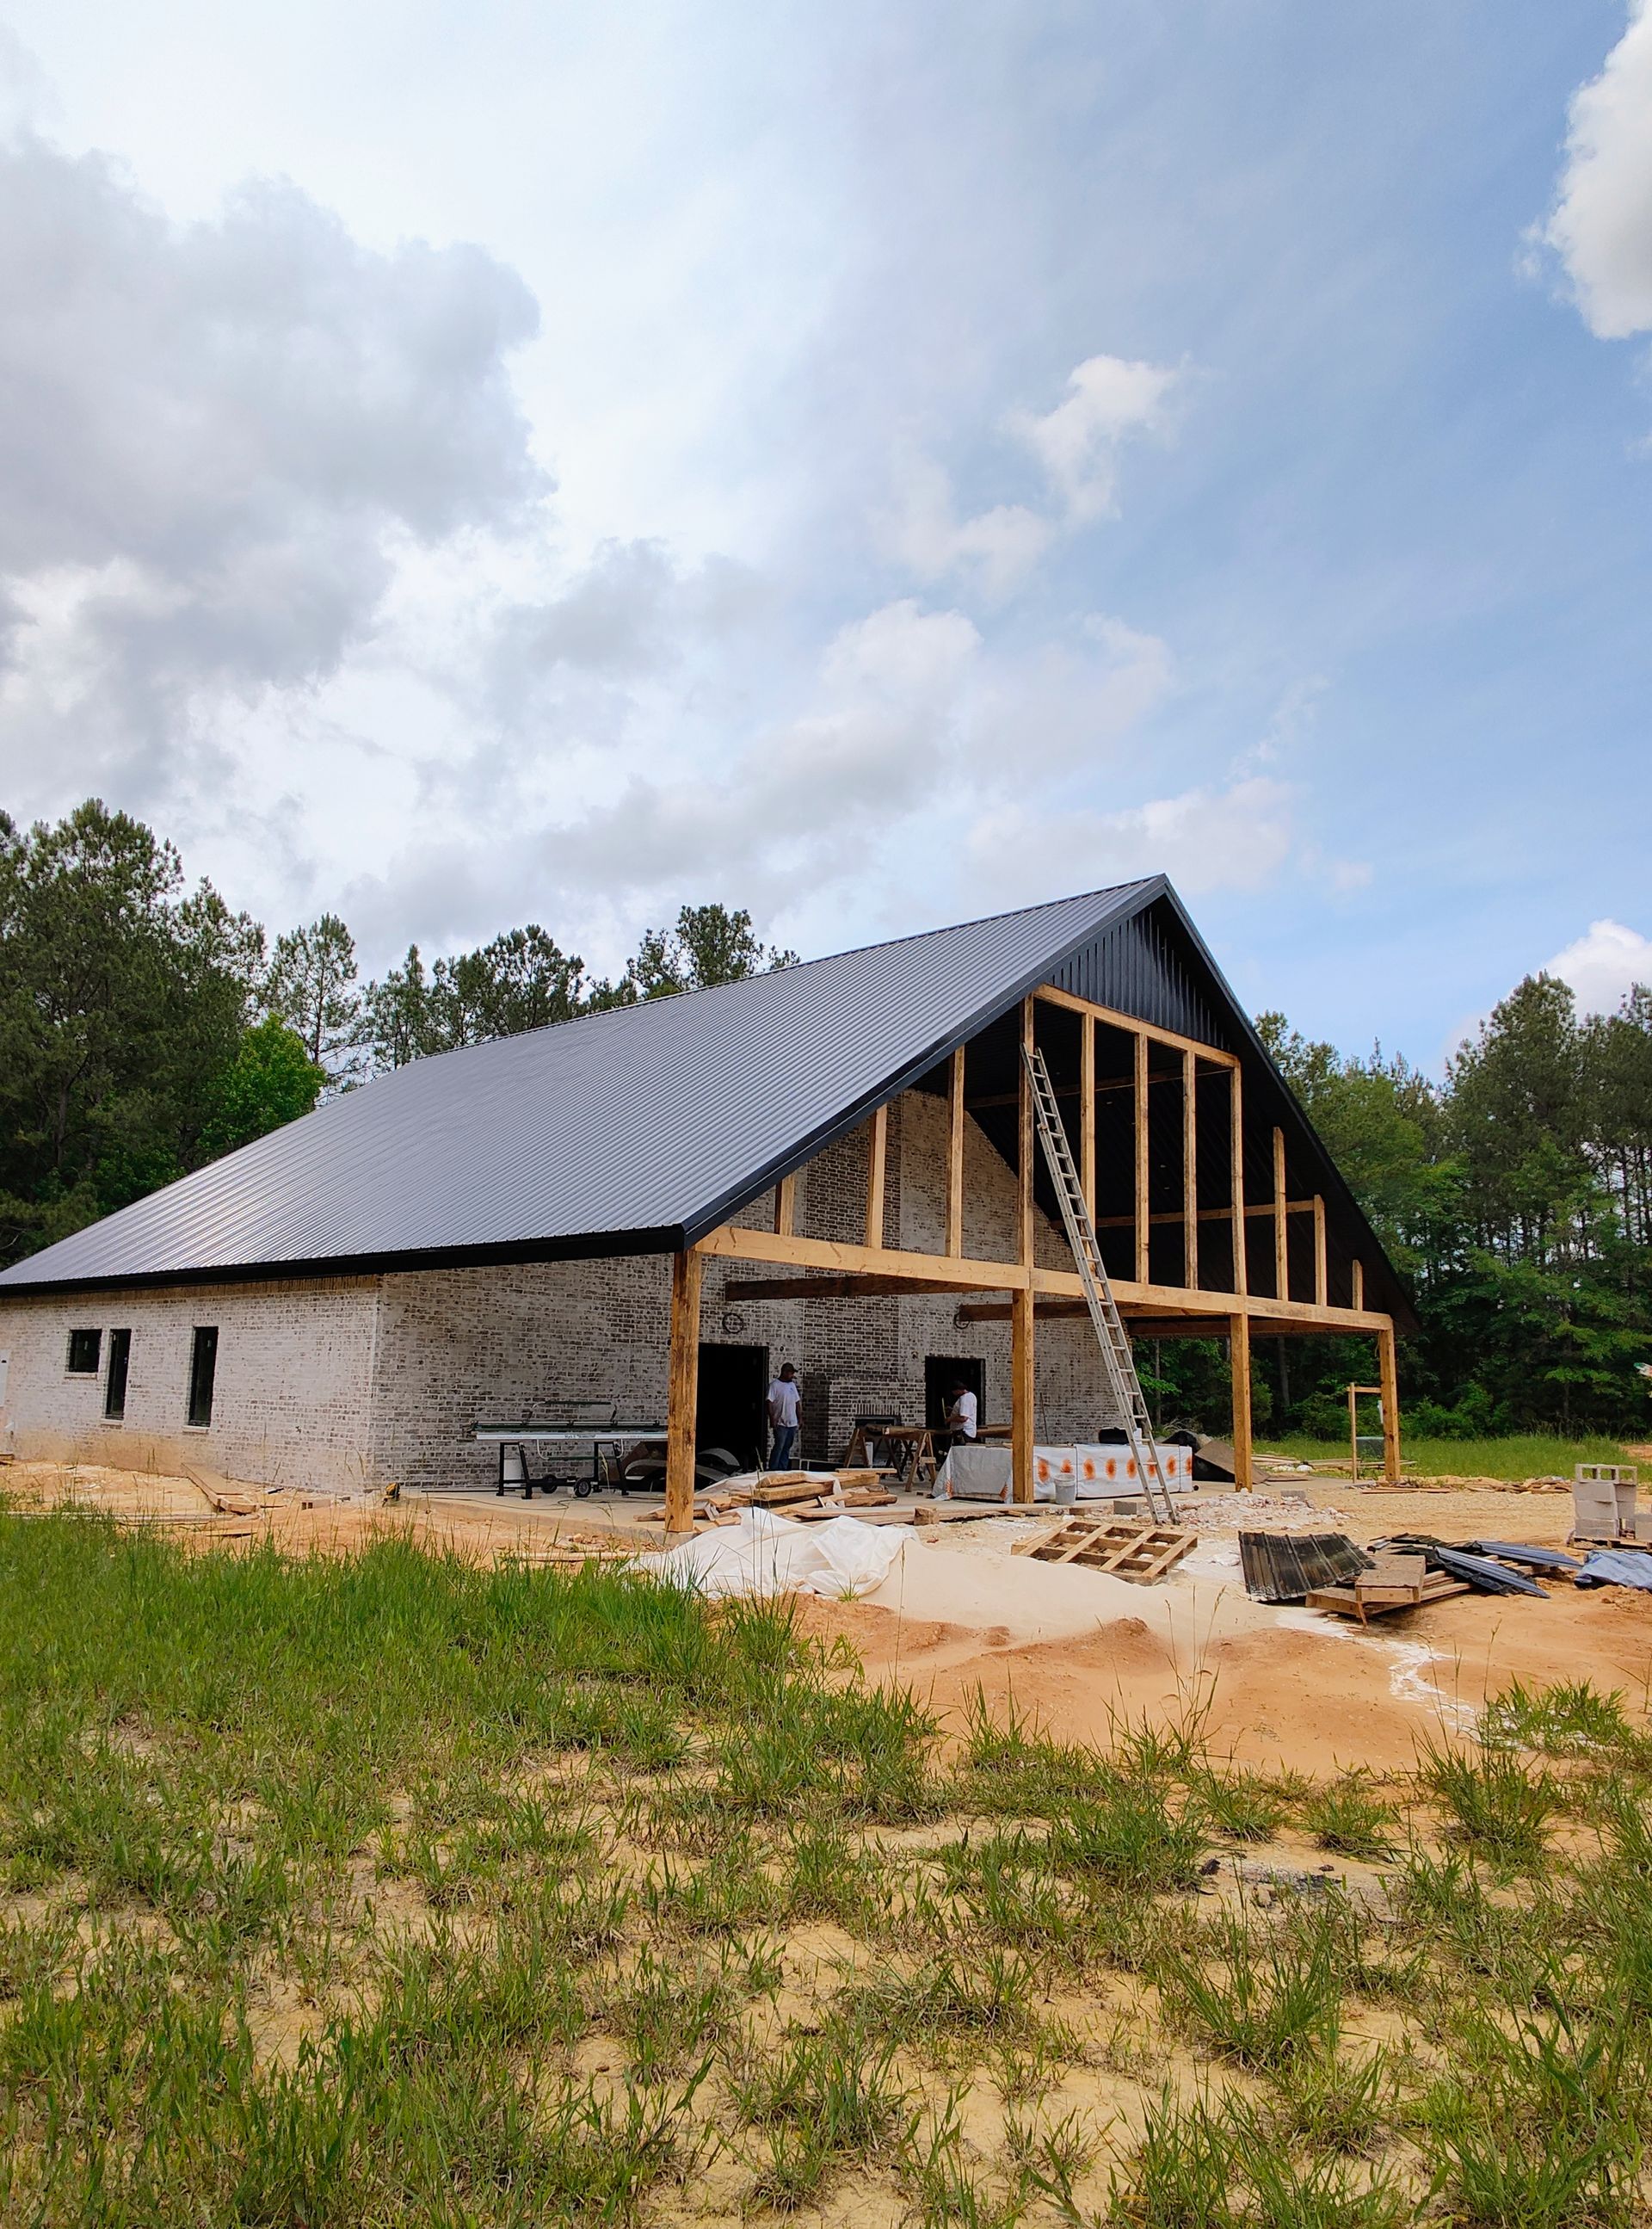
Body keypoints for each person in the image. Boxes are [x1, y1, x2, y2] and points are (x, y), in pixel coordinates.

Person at [766, 1363, 803, 1470]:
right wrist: (772, 1418)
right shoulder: (774, 1385)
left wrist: (800, 1418)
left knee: (787, 1447)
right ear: (785, 1372)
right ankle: (773, 1468)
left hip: (792, 1422)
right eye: (791, 1373)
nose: (792, 1375)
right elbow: (769, 1402)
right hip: (780, 1422)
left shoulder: (792, 1385)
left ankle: (783, 1468)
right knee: (779, 1446)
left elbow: (797, 1402)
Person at [944, 1378, 978, 1449]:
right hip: (968, 1431)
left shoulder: (964, 1399)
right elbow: (966, 1411)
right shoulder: (971, 1396)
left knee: (958, 1452)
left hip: (963, 1432)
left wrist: (950, 1419)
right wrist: (953, 1410)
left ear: (957, 1390)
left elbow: (963, 1418)